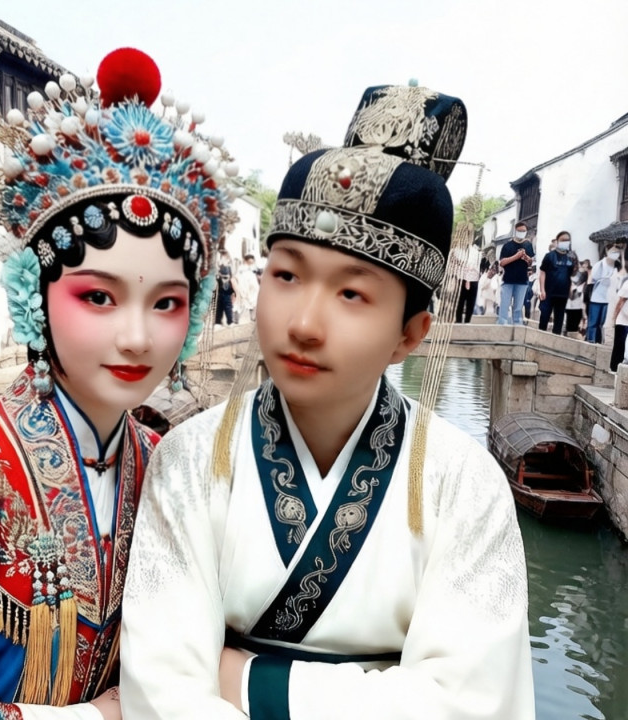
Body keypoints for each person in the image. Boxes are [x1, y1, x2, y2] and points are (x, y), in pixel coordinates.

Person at [121, 83, 535, 719]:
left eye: (351, 294)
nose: (304, 323)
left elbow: (467, 703)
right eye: (286, 275)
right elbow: (163, 689)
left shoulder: (465, 484)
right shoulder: (187, 462)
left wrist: (245, 681)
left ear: (409, 334)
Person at [0, 47, 235, 719]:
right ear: (35, 293)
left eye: (167, 303)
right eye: (98, 297)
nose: (137, 337)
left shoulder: (169, 467)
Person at [538, 231, 575, 334]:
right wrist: (542, 290)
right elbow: (542, 272)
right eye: (562, 240)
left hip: (563, 294)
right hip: (548, 293)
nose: (565, 242)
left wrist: (571, 291)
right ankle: (540, 338)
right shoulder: (549, 256)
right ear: (557, 241)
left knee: (559, 320)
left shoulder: (571, 258)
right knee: (544, 317)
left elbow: (572, 276)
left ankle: (555, 339)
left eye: (567, 240)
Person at [498, 221, 534, 325]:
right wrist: (516, 256)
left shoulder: (528, 245)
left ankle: (517, 325)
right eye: (520, 231)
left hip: (522, 280)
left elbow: (531, 262)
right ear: (515, 230)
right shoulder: (507, 245)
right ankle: (502, 324)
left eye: (524, 231)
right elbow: (502, 262)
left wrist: (527, 258)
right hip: (508, 280)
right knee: (505, 305)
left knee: (518, 307)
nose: (522, 233)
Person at [586, 243, 623, 343]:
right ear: (607, 251)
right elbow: (593, 278)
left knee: (602, 324)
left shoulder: (618, 265)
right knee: (593, 323)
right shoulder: (600, 264)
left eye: (618, 252)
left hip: (609, 300)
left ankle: (598, 342)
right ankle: (590, 341)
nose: (616, 253)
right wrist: (604, 278)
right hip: (597, 298)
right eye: (614, 251)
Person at [453, 240, 481, 323]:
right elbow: (454, 266)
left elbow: (477, 267)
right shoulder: (456, 251)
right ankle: (458, 321)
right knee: (459, 302)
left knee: (470, 303)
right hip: (461, 278)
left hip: (473, 279)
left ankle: (467, 321)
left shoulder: (476, 252)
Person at [234, 252, 260, 323]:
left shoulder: (253, 268)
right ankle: (236, 319)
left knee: (253, 302)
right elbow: (237, 277)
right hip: (244, 286)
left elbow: (255, 276)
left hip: (252, 288)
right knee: (241, 303)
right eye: (249, 261)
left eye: (252, 261)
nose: (251, 262)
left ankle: (253, 317)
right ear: (246, 261)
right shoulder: (241, 268)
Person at [610, 276, 628, 372]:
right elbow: (620, 302)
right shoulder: (627, 284)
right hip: (623, 321)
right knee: (620, 345)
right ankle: (614, 368)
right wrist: (614, 318)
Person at [215, 249, 237, 326]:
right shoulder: (221, 266)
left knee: (226, 305)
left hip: (226, 288)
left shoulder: (227, 266)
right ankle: (219, 322)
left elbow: (230, 276)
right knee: (220, 306)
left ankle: (228, 321)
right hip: (221, 287)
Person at [565, 264, 587, 337]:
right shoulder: (571, 280)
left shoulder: (583, 285)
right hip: (571, 307)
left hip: (577, 308)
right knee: (570, 328)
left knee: (572, 328)